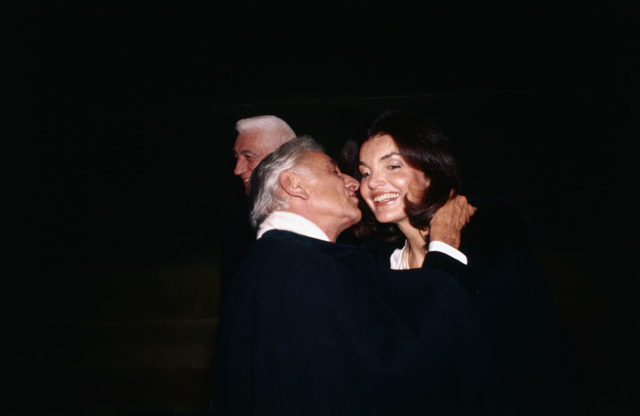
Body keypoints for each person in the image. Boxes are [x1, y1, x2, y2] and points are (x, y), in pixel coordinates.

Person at [211, 135, 504, 415]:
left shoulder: (280, 261)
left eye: (392, 166)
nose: (355, 183)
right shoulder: (297, 269)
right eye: (335, 171)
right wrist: (444, 246)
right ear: (294, 185)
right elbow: (395, 371)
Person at [339, 109, 583, 415]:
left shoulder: (489, 250)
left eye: (393, 165)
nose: (374, 182)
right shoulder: (374, 267)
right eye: (365, 172)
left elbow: (539, 361)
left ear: (430, 172)